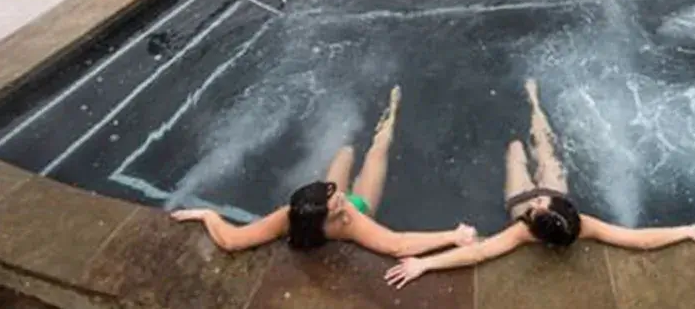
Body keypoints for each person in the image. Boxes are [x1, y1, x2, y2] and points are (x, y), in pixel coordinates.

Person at [384, 79, 695, 289]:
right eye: (541, 205)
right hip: (556, 187)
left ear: (534, 225)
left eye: (535, 211)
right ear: (565, 209)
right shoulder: (582, 224)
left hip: (517, 194)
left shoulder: (523, 231)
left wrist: (424, 264)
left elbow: (478, 253)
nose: (537, 203)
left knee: (516, 151)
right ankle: (534, 101)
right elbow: (636, 240)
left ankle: (518, 127)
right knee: (545, 146)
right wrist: (687, 230)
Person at [171, 87, 477, 255]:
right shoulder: (350, 220)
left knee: (345, 152)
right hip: (364, 208)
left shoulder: (289, 215)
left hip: (320, 210)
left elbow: (231, 240)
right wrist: (453, 235)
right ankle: (393, 111)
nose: (341, 198)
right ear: (329, 216)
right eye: (337, 202)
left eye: (335, 194)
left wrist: (206, 214)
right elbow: (398, 244)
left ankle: (366, 128)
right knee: (377, 151)